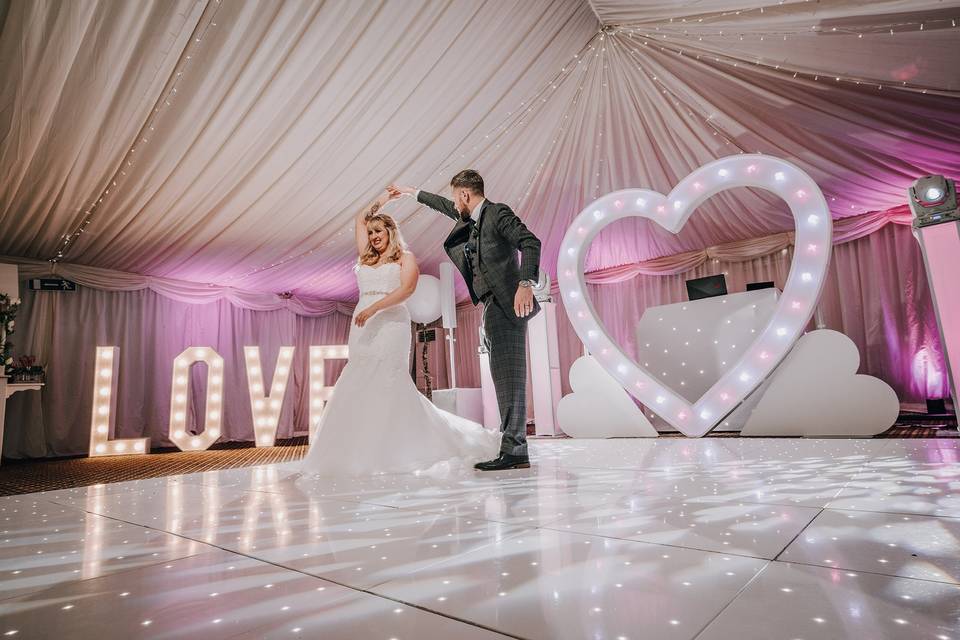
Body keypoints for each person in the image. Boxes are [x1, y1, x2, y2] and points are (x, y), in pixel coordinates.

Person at [299, 190, 500, 476]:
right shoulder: (366, 258)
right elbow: (359, 218)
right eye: (370, 233)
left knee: (387, 379)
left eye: (378, 231)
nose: (373, 236)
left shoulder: (405, 258)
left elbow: (406, 290)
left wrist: (374, 308)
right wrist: (384, 199)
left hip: (391, 324)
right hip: (363, 327)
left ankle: (395, 447)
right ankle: (357, 448)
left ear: (390, 231)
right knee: (359, 376)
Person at [389, 170, 541, 471]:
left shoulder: (497, 213)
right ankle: (513, 447)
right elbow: (445, 207)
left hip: (507, 304)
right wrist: (412, 192)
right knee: (503, 378)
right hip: (491, 305)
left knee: (509, 378)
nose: (452, 203)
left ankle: (515, 450)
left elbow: (530, 242)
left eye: (454, 197)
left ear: (464, 195)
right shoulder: (472, 220)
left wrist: (526, 285)